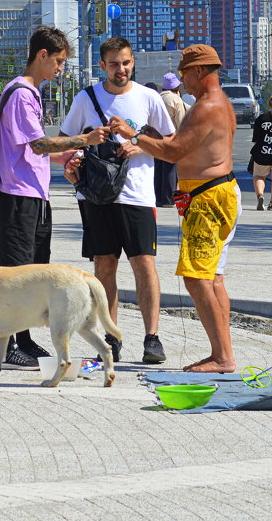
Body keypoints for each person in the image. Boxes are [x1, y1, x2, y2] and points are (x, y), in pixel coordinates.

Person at [0, 25, 107, 370]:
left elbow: (34, 151)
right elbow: (37, 144)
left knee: (35, 272)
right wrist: (83, 140)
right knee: (17, 276)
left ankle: (26, 341)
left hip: (33, 196)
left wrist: (66, 158)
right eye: (59, 62)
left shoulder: (31, 93)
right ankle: (14, 347)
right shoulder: (20, 93)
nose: (61, 69)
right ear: (42, 55)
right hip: (16, 198)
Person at [107, 44, 239, 373]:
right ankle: (224, 353)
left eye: (185, 72)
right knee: (214, 278)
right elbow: (186, 144)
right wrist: (154, 136)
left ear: (200, 71)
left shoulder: (208, 104)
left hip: (208, 199)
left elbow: (175, 152)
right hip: (218, 192)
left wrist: (134, 135)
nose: (182, 79)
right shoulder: (217, 102)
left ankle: (222, 356)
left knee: (196, 279)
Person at [61, 37, 176, 365]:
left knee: (144, 264)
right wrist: (76, 156)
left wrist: (138, 143)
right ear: (102, 66)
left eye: (125, 63)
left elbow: (169, 141)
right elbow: (66, 139)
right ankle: (112, 337)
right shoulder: (86, 98)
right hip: (96, 196)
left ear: (132, 63)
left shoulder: (148, 97)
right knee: (104, 266)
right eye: (114, 64)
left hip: (138, 195)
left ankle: (152, 338)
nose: (121, 69)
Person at [156, 72, 189, 207]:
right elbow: (181, 121)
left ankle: (158, 198)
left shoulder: (157, 98)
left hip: (156, 138)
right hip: (171, 137)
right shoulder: (176, 100)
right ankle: (169, 199)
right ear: (177, 88)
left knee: (158, 169)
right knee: (170, 168)